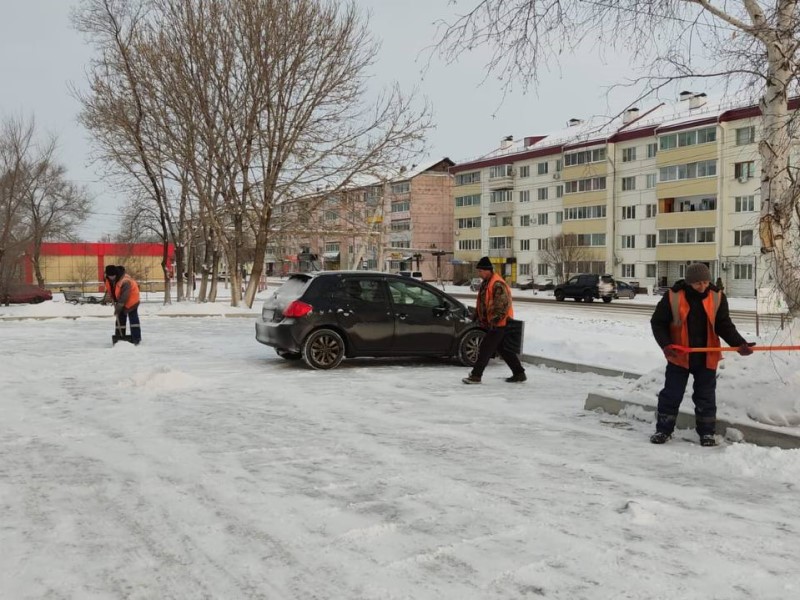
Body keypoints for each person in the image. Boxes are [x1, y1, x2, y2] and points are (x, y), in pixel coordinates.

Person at [650, 263, 753, 446]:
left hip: (707, 355)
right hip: (679, 355)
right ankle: (663, 430)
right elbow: (658, 323)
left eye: (706, 282)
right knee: (672, 394)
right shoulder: (673, 296)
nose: (703, 287)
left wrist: (739, 344)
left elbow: (724, 324)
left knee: (705, 396)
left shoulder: (717, 297)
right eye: (698, 283)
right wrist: (665, 345)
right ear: (689, 282)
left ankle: (706, 433)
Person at [462, 256, 527, 385]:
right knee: (504, 349)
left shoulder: (497, 284)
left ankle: (476, 375)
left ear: (487, 270)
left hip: (499, 323)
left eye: (480, 271)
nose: (478, 274)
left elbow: (502, 305)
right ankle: (519, 373)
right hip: (493, 323)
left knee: (485, 348)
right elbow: (484, 302)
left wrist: (495, 321)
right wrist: (477, 315)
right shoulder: (487, 283)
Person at [104, 264, 142, 345]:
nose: (111, 278)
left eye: (113, 276)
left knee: (133, 319)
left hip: (132, 300)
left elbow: (124, 297)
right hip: (121, 300)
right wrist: (113, 297)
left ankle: (136, 338)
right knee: (120, 319)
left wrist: (118, 308)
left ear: (116, 274)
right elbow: (111, 288)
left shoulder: (125, 281)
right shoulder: (108, 279)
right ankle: (119, 336)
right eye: (110, 276)